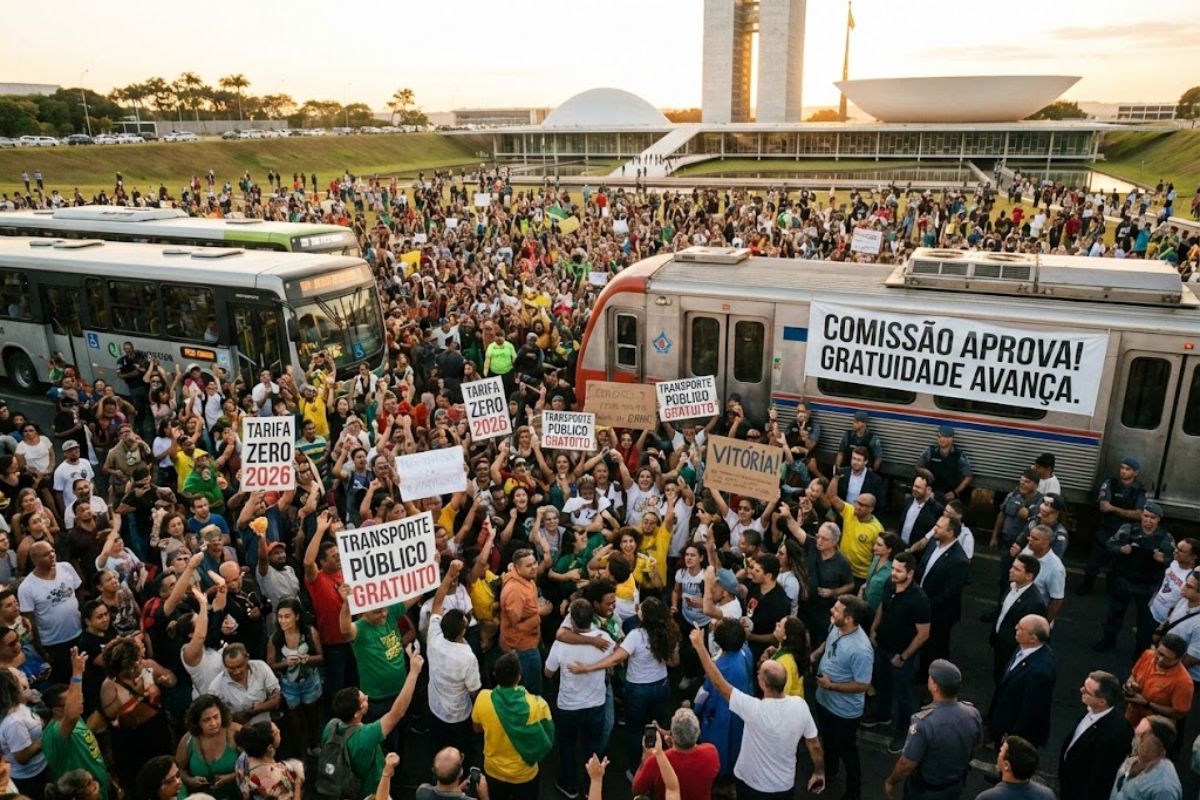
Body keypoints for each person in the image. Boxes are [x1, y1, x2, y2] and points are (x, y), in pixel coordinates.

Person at [689, 625, 827, 799]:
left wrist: (700, 647)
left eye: (760, 673)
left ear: (763, 684)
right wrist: (819, 772)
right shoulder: (800, 706)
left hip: (751, 784)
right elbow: (814, 745)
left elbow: (719, 683)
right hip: (784, 786)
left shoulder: (753, 709)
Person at [567, 595, 678, 780]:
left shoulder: (636, 635)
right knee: (658, 728)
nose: (637, 610)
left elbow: (617, 658)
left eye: (640, 609)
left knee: (635, 731)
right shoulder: (670, 631)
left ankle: (637, 771)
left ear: (645, 615)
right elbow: (674, 662)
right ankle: (660, 767)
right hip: (661, 686)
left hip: (638, 690)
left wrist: (588, 667)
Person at [322, 644, 423, 798]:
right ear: (356, 713)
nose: (367, 698)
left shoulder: (331, 725)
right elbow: (398, 712)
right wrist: (414, 672)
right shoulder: (366, 736)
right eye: (363, 701)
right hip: (371, 792)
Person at [883, 659, 982, 800]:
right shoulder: (972, 713)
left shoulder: (923, 722)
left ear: (935, 686)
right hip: (955, 785)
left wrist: (891, 781)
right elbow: (976, 745)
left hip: (926, 791)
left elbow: (906, 764)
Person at [864, 552, 931, 753]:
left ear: (910, 574)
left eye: (898, 570)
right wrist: (874, 629)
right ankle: (883, 715)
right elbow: (882, 608)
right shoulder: (890, 585)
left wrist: (903, 656)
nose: (893, 573)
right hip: (882, 647)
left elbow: (923, 634)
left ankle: (903, 732)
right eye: (893, 568)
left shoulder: (919, 599)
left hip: (901, 655)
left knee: (903, 695)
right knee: (882, 683)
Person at [544, 598, 609, 798]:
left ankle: (569, 785)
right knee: (593, 746)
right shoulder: (604, 638)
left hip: (568, 705)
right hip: (596, 702)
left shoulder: (560, 644)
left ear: (571, 621)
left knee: (567, 746)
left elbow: (548, 672)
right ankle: (592, 786)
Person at [811, 594, 874, 800]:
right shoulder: (836, 627)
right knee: (828, 739)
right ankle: (830, 769)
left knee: (848, 751)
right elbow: (827, 644)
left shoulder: (862, 650)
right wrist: (815, 654)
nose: (832, 611)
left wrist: (833, 686)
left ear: (848, 619)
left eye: (837, 610)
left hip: (844, 711)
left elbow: (863, 684)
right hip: (824, 700)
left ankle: (853, 791)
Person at [471, 652, 554, 800]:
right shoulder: (537, 705)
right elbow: (547, 739)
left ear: (495, 674)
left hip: (493, 770)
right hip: (524, 774)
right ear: (519, 677)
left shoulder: (483, 698)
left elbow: (477, 728)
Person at [1095, 503, 1175, 655]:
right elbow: (1110, 544)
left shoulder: (1165, 537)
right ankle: (1108, 640)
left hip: (1147, 585)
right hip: (1124, 579)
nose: (1148, 520)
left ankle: (1140, 650)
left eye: (1153, 518)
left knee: (1145, 621)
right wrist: (1120, 549)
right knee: (1114, 614)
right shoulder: (1129, 529)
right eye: (1145, 516)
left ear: (1158, 520)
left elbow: (1174, 560)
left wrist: (1163, 559)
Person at [427, 560, 483, 763]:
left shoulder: (434, 637)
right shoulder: (467, 657)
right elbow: (474, 690)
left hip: (435, 709)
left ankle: (439, 775)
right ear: (462, 632)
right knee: (463, 751)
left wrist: (449, 575)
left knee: (439, 749)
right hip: (459, 715)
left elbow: (437, 603)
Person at [41, 648, 110, 799]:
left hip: (99, 788)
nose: (80, 700)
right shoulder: (54, 734)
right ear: (58, 710)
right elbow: (72, 714)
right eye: (72, 700)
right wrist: (77, 674)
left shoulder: (76, 719)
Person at [1058, 670, 1133, 800]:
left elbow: (1100, 777)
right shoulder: (1092, 711)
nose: (1081, 690)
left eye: (1086, 691)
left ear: (1102, 702)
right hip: (1069, 783)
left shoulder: (1115, 734)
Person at [986, 615, 1056, 749]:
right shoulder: (1024, 647)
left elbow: (1030, 710)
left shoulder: (1039, 671)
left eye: (1021, 628)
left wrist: (1013, 738)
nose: (1015, 628)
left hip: (1014, 729)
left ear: (1033, 637)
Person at [1080, 456, 1147, 595]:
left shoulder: (1140, 490)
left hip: (1123, 534)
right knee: (1093, 564)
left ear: (1136, 472)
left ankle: (1112, 591)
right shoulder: (1110, 483)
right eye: (1122, 468)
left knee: (1117, 567)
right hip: (1105, 529)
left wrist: (1114, 509)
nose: (1123, 471)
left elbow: (1139, 514)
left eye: (1128, 469)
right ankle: (1086, 586)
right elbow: (1104, 507)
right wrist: (1127, 512)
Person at [915, 515, 969, 678]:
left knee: (935, 647)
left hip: (940, 613)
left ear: (950, 532)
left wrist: (925, 604)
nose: (934, 529)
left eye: (939, 527)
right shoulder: (933, 544)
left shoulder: (959, 561)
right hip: (923, 603)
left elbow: (949, 593)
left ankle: (932, 679)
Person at [631, 707, 719, 800]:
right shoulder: (711, 752)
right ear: (698, 732)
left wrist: (646, 756)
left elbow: (637, 789)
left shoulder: (655, 761)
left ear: (672, 735)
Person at [989, 555, 1047, 682]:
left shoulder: (1034, 602)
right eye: (1012, 567)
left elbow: (1032, 634)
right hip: (1000, 643)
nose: (1011, 570)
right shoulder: (1011, 587)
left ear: (1029, 576)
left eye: (1017, 569)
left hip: (1012, 649)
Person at [1123, 634, 1193, 732]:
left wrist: (1148, 704)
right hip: (1131, 717)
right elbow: (1133, 675)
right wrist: (1131, 685)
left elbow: (1179, 713)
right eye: (1159, 653)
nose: (1160, 660)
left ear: (1179, 659)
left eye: (1167, 658)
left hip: (1153, 730)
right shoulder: (1148, 655)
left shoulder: (1184, 682)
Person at [176, 695, 240, 800]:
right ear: (197, 722)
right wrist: (189, 780)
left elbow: (254, 762)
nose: (213, 723)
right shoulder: (188, 740)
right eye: (206, 720)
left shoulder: (234, 732)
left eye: (216, 717)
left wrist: (232, 776)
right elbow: (178, 770)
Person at [0, 662, 48, 797]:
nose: (21, 679)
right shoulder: (13, 722)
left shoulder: (17, 706)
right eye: (16, 679)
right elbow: (22, 756)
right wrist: (45, 737)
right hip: (31, 777)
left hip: (41, 768)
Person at [1109, 715, 1183, 800]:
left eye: (1141, 736)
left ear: (1158, 743)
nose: (1134, 741)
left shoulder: (1164, 787)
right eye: (1135, 734)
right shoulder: (1134, 759)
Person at [232, 721, 303, 800]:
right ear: (269, 747)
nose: (279, 730)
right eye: (276, 733)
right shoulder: (274, 777)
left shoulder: (243, 759)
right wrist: (297, 784)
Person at [976, 735, 1054, 799]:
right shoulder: (1047, 795)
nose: (999, 753)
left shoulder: (986, 798)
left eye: (1001, 751)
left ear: (1006, 766)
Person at [916, 426, 973, 503]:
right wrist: (925, 471)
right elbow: (918, 466)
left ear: (950, 439)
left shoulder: (958, 455)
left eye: (941, 436)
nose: (938, 439)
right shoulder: (931, 451)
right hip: (931, 491)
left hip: (948, 495)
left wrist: (955, 492)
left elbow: (968, 476)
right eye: (938, 436)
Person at [415, 748, 489, 800]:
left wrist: (459, 789)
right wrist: (484, 796)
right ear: (461, 772)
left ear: (433, 770)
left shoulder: (422, 791)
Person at [897, 470, 943, 548]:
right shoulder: (908, 500)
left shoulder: (936, 509)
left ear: (928, 490)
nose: (914, 489)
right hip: (901, 546)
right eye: (914, 486)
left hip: (918, 553)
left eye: (918, 487)